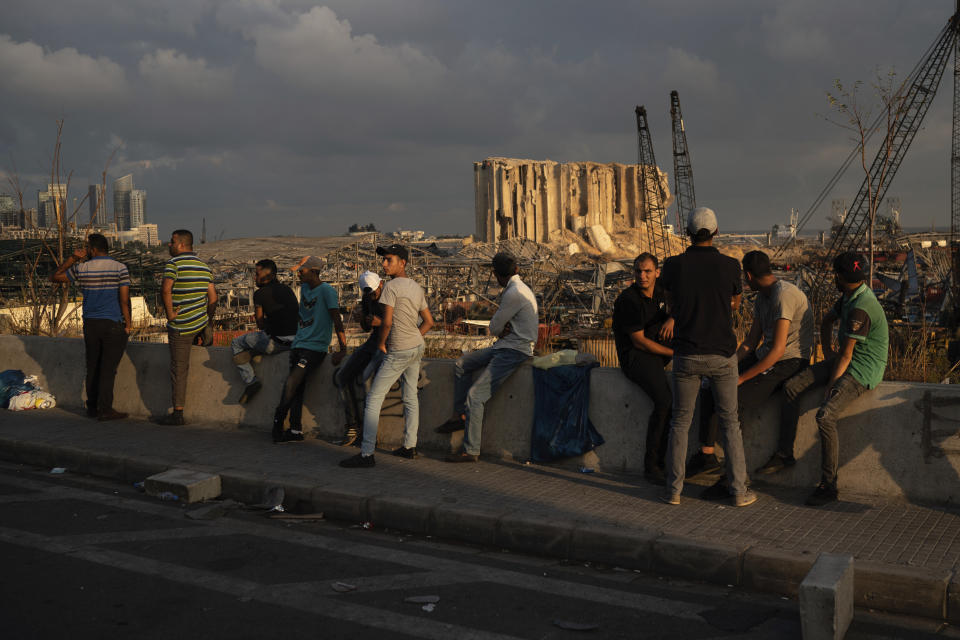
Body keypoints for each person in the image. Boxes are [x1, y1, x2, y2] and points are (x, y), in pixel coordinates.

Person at [658, 207, 757, 507]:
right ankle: (739, 491)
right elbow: (737, 303)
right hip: (722, 354)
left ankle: (673, 491)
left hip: (686, 354)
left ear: (687, 233)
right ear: (715, 233)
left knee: (680, 422)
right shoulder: (730, 266)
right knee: (730, 424)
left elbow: (668, 301)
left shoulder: (673, 265)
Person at [695, 249, 814, 498]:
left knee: (732, 401)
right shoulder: (762, 298)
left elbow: (778, 350)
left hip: (789, 363)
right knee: (711, 384)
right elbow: (751, 341)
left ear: (748, 276)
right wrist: (730, 365)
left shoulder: (784, 296)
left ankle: (733, 477)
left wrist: (741, 379)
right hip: (768, 358)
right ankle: (706, 455)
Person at [776, 251, 888, 506]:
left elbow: (848, 354)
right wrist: (827, 353)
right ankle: (783, 453)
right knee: (791, 387)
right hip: (843, 361)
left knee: (825, 416)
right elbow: (827, 322)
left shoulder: (862, 306)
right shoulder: (849, 295)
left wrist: (831, 384)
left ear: (839, 276)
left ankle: (829, 485)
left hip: (863, 368)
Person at [438, 252, 538, 463]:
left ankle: (471, 450)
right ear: (517, 270)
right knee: (461, 365)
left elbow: (493, 327)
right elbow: (499, 329)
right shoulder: (520, 289)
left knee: (475, 396)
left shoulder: (514, 294)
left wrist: (501, 328)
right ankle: (458, 417)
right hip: (506, 345)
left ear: (495, 274)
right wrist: (503, 329)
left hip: (514, 350)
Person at [340, 244, 434, 468]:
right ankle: (409, 446)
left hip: (399, 349)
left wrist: (382, 343)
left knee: (373, 398)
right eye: (383, 260)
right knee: (410, 397)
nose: (384, 264)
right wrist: (414, 339)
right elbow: (430, 322)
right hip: (416, 347)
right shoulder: (416, 287)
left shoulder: (391, 287)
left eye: (389, 260)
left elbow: (388, 322)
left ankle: (366, 454)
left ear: (403, 262)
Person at [50, 233, 131, 421]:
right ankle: (106, 409)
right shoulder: (120, 268)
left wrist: (72, 259)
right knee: (108, 368)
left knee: (93, 365)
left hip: (90, 324)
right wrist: (128, 323)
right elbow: (124, 300)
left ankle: (92, 407)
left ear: (93, 250)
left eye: (87, 248)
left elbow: (55, 277)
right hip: (112, 323)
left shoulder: (82, 268)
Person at [610, 252, 674, 485]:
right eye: (638, 271)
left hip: (655, 354)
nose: (642, 276)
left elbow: (683, 304)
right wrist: (673, 354)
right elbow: (639, 342)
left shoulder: (662, 292)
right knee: (665, 402)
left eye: (647, 271)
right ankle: (653, 465)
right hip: (636, 357)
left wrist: (672, 318)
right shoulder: (628, 300)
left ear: (657, 272)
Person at [273, 256, 346, 443]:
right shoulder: (305, 288)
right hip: (299, 344)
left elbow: (337, 319)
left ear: (314, 271)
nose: (299, 273)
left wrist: (342, 348)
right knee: (296, 389)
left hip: (314, 348)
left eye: (303, 270)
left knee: (291, 383)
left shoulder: (327, 291)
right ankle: (295, 431)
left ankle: (277, 423)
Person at [157, 229, 216, 426]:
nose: (169, 245)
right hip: (200, 323)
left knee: (179, 369)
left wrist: (170, 314)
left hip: (181, 327)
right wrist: (208, 320)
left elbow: (166, 290)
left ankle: (178, 413)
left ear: (181, 244)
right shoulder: (203, 266)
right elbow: (213, 298)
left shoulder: (173, 264)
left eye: (172, 242)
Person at [230, 259, 299, 404]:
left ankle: (251, 381)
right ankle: (253, 353)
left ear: (270, 275)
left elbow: (260, 324)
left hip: (275, 343)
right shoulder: (287, 289)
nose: (255, 278)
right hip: (295, 342)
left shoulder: (259, 294)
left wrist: (268, 325)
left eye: (257, 274)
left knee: (236, 343)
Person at [333, 270, 386, 446]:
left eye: (373, 292)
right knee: (342, 377)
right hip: (373, 343)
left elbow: (401, 322)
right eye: (367, 292)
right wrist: (362, 320)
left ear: (380, 284)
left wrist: (382, 322)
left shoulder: (390, 296)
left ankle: (369, 433)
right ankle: (353, 426)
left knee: (366, 381)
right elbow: (366, 328)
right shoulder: (367, 298)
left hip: (387, 344)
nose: (371, 295)